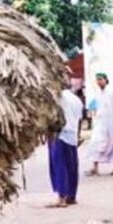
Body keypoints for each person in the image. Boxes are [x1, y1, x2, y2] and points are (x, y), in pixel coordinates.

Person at [48, 76, 84, 207]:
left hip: (60, 134)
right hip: (72, 135)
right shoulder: (77, 100)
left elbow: (53, 116)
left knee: (60, 166)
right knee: (72, 167)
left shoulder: (58, 98)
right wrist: (78, 136)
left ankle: (61, 197)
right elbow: (80, 120)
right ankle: (71, 196)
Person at [86, 73, 113, 176]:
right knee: (96, 142)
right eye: (97, 80)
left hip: (112, 123)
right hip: (100, 122)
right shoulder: (97, 92)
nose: (99, 82)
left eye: (101, 79)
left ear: (106, 80)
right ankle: (95, 167)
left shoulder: (112, 92)